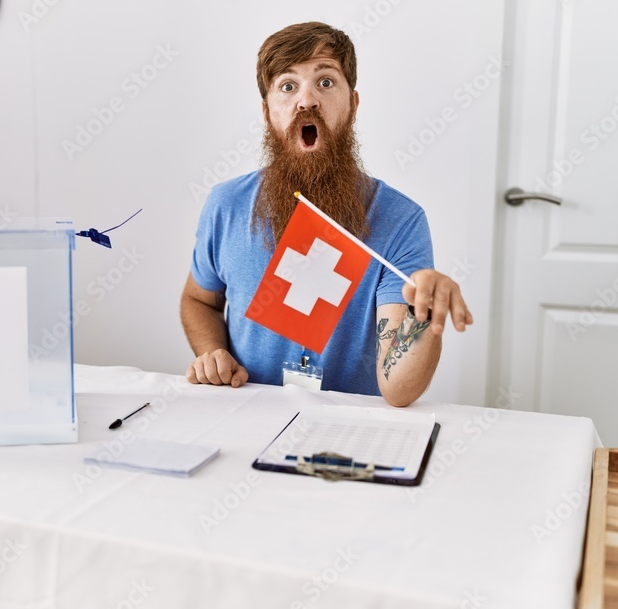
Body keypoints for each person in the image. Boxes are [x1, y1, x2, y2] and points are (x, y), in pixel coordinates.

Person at [180, 22, 472, 407]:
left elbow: (399, 390)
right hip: (243, 410)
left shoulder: (402, 220)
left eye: (326, 82)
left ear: (353, 103)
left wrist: (424, 316)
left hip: (347, 430)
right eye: (288, 86)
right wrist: (213, 353)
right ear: (267, 112)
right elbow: (198, 300)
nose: (307, 101)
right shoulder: (226, 204)